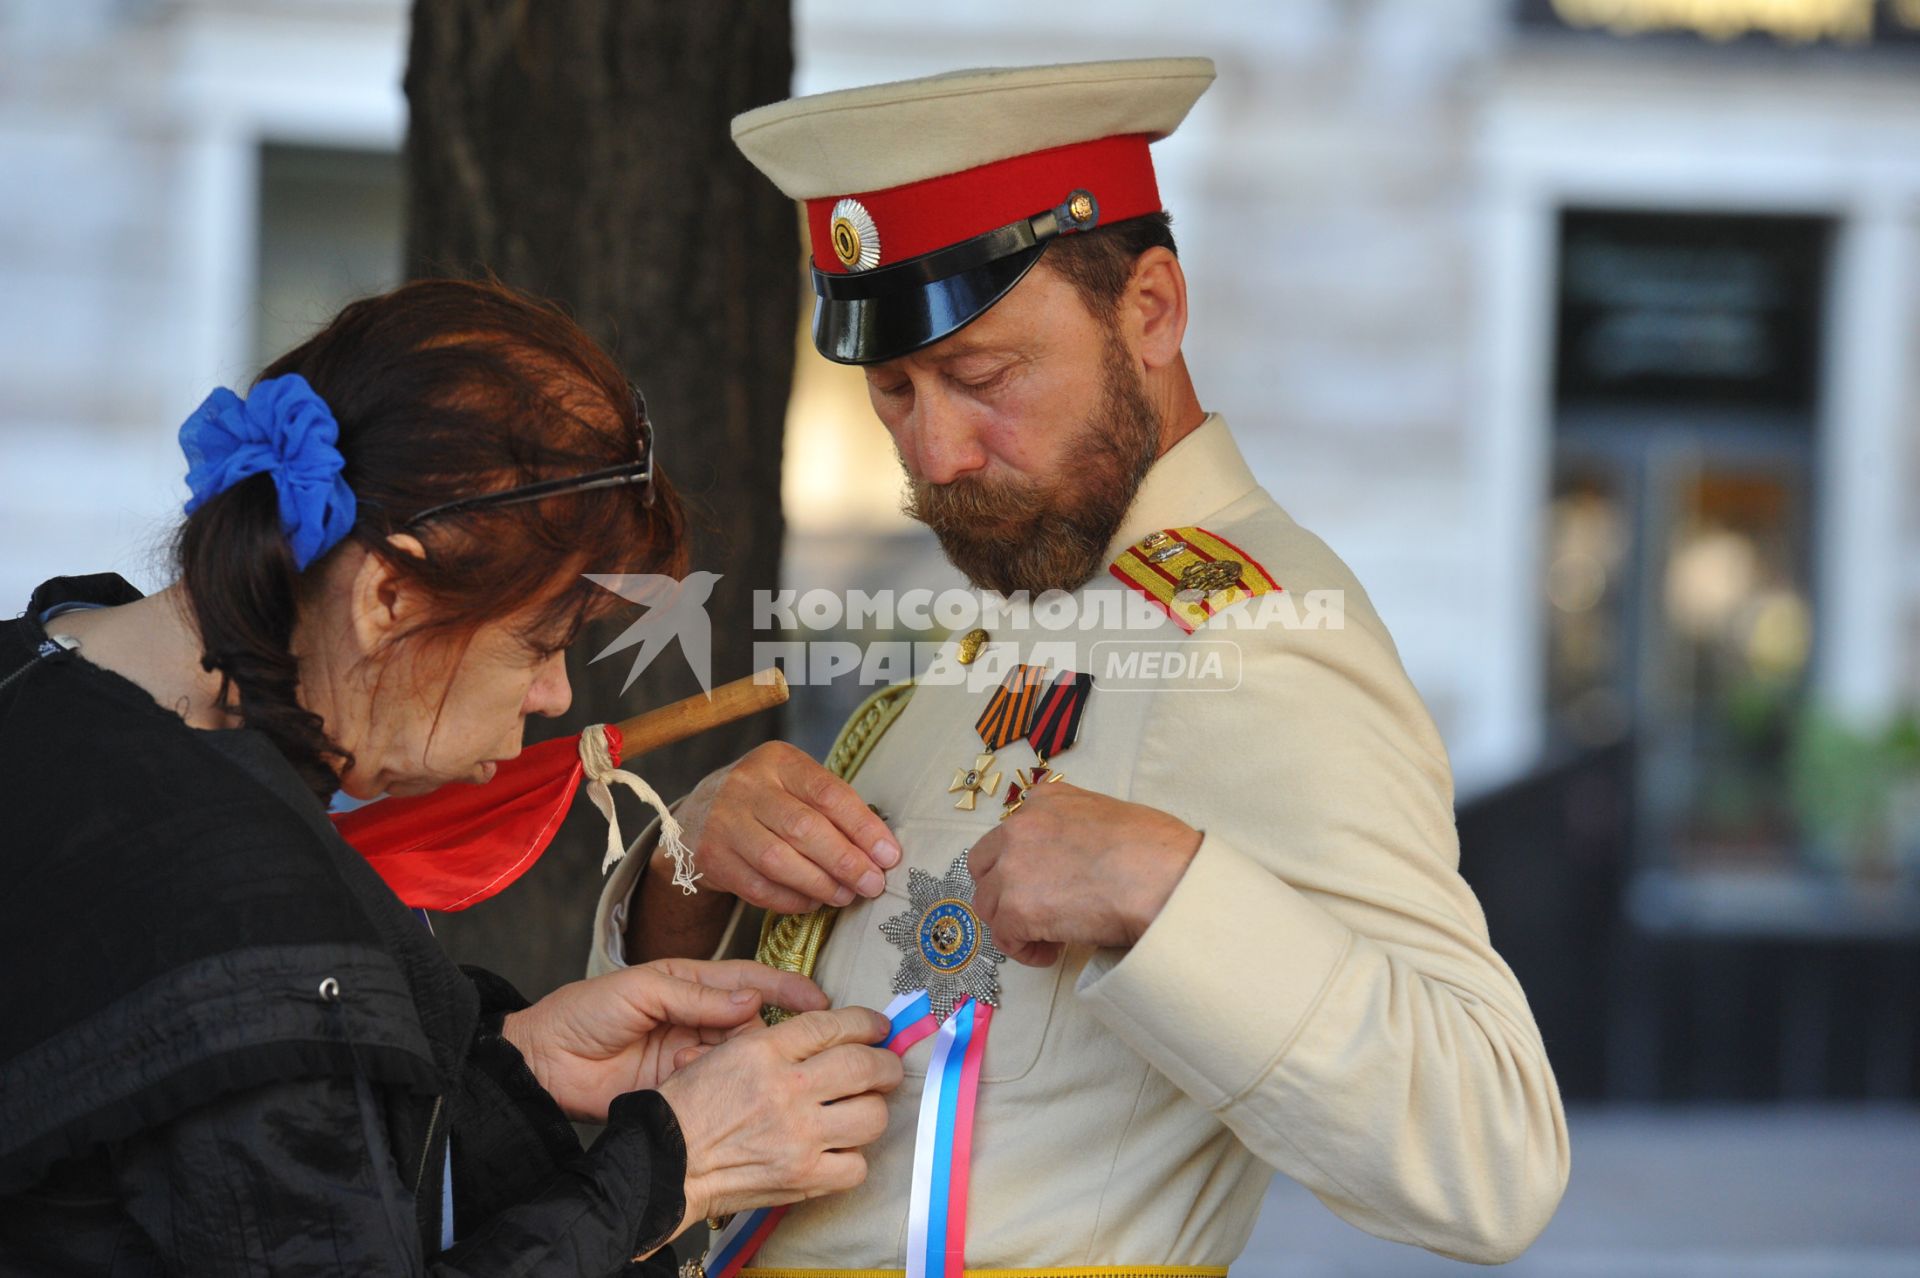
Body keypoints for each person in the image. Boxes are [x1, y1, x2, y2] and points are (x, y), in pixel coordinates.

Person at [590, 58, 1571, 1275]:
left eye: (984, 378)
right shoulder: (1028, 593)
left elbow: (1495, 1158)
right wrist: (690, 870)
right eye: (891, 391)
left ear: (1151, 309)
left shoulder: (1258, 635)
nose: (935, 451)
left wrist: (1170, 890)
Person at [0, 278, 902, 1275]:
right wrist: (673, 1168)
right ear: (389, 595)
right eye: (538, 641)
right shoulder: (238, 903)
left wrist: (508, 1073)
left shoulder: (41, 671)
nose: (555, 694)